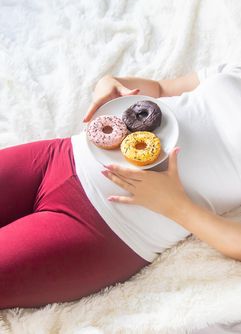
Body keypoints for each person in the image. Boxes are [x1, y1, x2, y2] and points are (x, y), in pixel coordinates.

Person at [0, 63, 240, 310]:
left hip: (108, 229)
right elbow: (160, 89)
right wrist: (114, 83)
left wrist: (175, 206)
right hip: (58, 157)